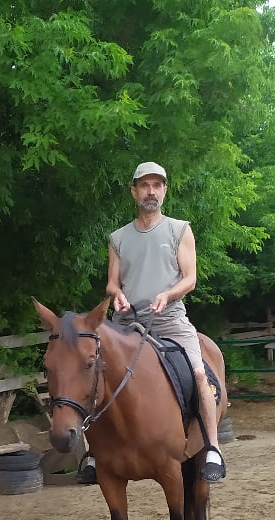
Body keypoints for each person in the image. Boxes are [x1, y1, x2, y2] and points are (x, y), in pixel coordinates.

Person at [79, 161, 225, 485]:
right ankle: (93, 451)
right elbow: (112, 282)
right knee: (92, 370)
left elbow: (190, 279)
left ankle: (213, 447)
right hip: (127, 320)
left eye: (157, 185)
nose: (151, 191)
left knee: (199, 373)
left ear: (165, 191)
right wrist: (116, 294)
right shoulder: (118, 237)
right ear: (134, 192)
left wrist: (168, 294)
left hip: (169, 318)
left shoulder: (179, 230)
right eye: (144, 185)